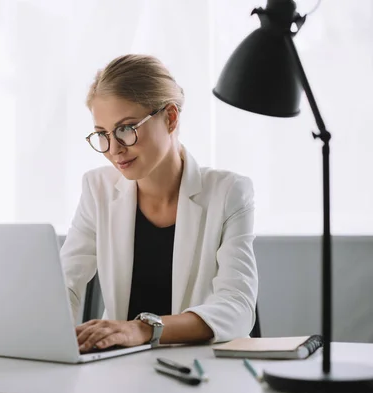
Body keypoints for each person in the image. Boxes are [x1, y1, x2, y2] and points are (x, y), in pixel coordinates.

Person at [61, 54, 258, 353]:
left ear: (170, 117)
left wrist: (142, 329)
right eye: (102, 134)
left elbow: (238, 307)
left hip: (196, 369)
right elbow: (65, 284)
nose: (114, 150)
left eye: (126, 129)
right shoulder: (97, 188)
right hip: (117, 368)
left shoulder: (229, 193)